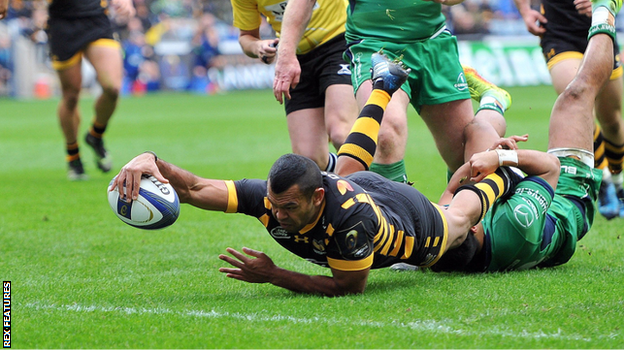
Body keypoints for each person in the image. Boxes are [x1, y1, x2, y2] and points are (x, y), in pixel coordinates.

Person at [111, 53, 518, 296]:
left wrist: (274, 275)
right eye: (275, 205)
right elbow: (197, 187)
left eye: (288, 208)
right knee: (347, 169)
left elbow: (349, 287)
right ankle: (384, 86)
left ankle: (507, 165)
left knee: (460, 215)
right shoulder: (279, 198)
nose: (277, 215)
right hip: (357, 188)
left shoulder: (347, 221)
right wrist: (151, 160)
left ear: (318, 197)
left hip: (417, 226)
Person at [429, 0, 619, 273]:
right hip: (564, 198)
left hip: (504, 208)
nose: (445, 207)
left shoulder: (451, 236)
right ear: (472, 225)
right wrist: (502, 157)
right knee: (576, 95)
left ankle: (493, 99)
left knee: (475, 131)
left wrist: (483, 162)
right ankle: (606, 10)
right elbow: (548, 169)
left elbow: (450, 193)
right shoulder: (517, 224)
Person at [273, 0, 511, 183]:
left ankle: (493, 101)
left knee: (466, 154)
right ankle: (397, 228)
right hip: (374, 45)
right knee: (385, 132)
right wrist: (286, 53)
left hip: (433, 44)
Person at [513, 0, 624, 218]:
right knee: (576, 100)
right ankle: (603, 181)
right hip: (557, 31)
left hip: (600, 26)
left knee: (611, 120)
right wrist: (525, 10)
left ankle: (618, 183)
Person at [231, 0, 358, 172]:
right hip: (293, 56)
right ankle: (358, 170)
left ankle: (371, 193)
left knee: (341, 133)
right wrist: (257, 46)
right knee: (310, 158)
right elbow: (246, 36)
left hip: (338, 42)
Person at [46, 0, 135, 180]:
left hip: (96, 18)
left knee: (113, 88)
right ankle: (73, 156)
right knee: (71, 96)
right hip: (62, 22)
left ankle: (95, 135)